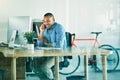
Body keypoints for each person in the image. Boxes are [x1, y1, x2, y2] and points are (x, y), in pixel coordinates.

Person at [30, 13, 67, 80]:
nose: (46, 23)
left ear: (53, 20)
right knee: (33, 64)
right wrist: (41, 32)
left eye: (48, 21)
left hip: (58, 55)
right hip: (47, 54)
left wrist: (47, 43)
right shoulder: (45, 29)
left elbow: (59, 45)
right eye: (44, 21)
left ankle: (51, 79)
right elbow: (40, 45)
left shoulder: (59, 28)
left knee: (44, 67)